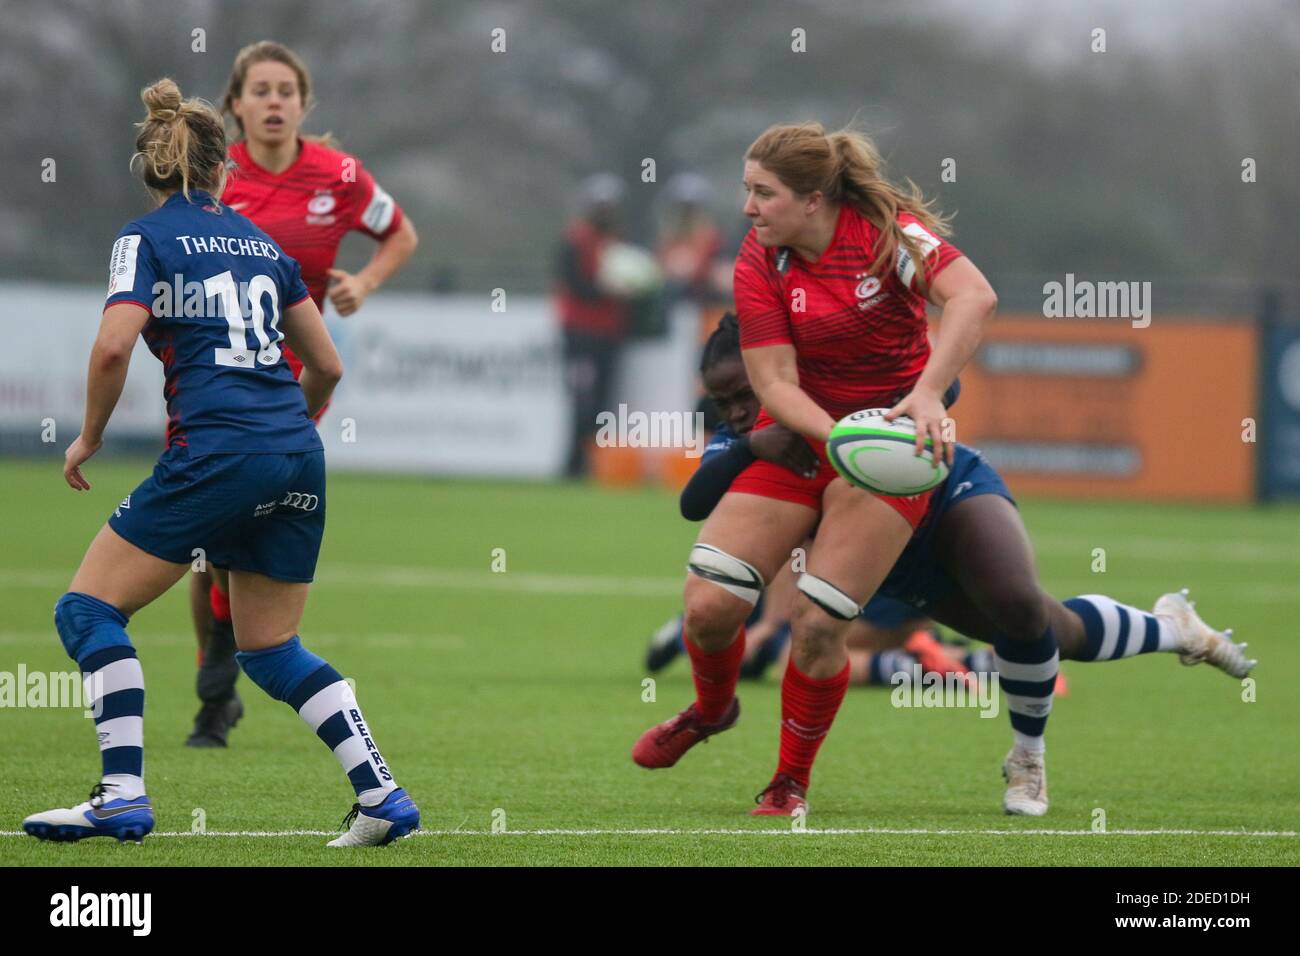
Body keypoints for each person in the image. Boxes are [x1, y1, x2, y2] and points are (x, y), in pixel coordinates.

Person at [631, 123, 1253, 817]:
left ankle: (794, 785)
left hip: (897, 460)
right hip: (825, 443)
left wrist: (925, 393)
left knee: (951, 618)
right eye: (746, 191)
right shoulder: (760, 258)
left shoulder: (885, 235)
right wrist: (837, 438)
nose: (746, 208)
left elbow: (974, 296)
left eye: (762, 193)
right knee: (711, 603)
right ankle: (712, 712)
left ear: (813, 199)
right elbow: (772, 383)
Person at [22, 79, 419, 846]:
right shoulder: (262, 243)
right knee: (272, 651)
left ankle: (121, 795)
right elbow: (328, 366)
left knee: (87, 611)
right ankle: (383, 798)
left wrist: (90, 436)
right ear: (222, 170)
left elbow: (111, 345)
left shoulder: (144, 237)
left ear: (153, 168)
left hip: (216, 449)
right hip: (296, 454)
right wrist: (279, 436)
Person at [184, 40, 419, 748]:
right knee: (212, 536)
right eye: (261, 90)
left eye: (287, 89)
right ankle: (217, 670)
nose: (276, 101)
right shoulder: (215, 180)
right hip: (220, 374)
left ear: (303, 102)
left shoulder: (339, 175)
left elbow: (401, 233)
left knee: (237, 511)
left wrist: (364, 282)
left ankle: (223, 659)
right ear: (236, 105)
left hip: (301, 375)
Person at [555, 173, 634, 477]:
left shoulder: (618, 241)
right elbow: (575, 284)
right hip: (580, 333)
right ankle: (573, 463)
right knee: (582, 400)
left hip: (609, 333)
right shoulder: (574, 240)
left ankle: (594, 464)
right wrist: (609, 289)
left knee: (604, 401)